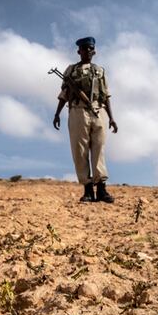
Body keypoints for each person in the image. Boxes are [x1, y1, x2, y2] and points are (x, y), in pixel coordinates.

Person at [52, 36, 118, 203]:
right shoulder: (71, 70)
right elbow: (64, 94)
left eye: (90, 48)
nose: (88, 51)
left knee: (99, 148)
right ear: (79, 51)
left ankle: (101, 188)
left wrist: (111, 118)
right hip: (78, 111)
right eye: (84, 48)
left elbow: (106, 95)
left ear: (94, 51)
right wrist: (57, 113)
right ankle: (88, 190)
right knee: (79, 150)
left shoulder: (100, 71)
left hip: (98, 110)